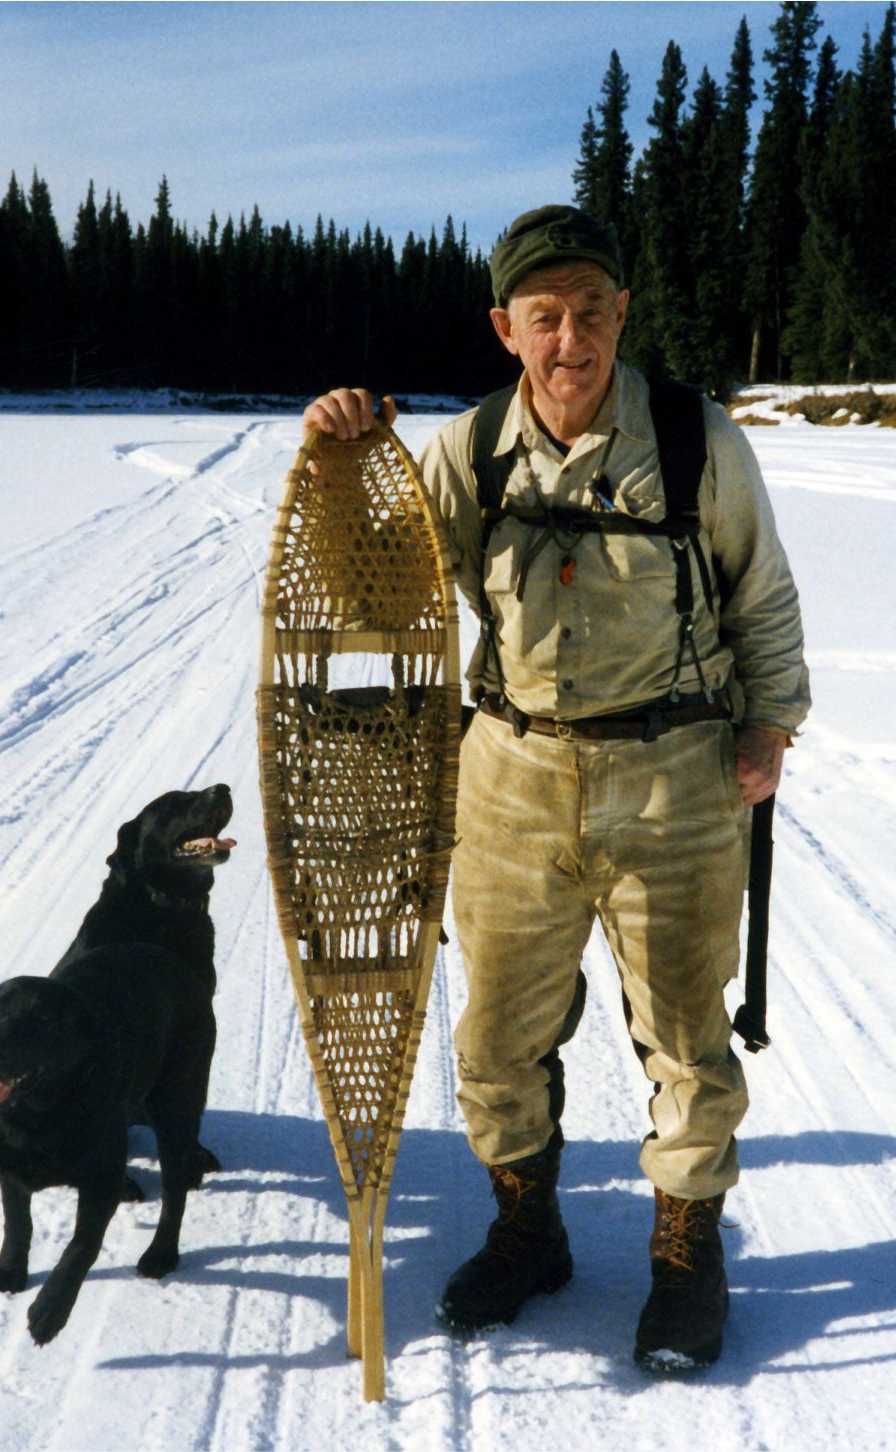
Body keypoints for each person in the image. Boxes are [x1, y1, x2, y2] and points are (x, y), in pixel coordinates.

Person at [302, 204, 810, 1372]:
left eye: (590, 312)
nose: (570, 338)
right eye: (545, 317)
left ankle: (686, 1255)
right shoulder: (469, 448)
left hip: (672, 775)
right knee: (494, 1034)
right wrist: (339, 469)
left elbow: (761, 595)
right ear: (505, 328)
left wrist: (768, 725)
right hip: (510, 774)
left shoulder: (695, 438)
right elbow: (381, 599)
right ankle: (526, 1231)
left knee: (685, 1033)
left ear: (621, 312)